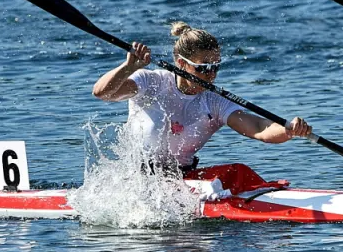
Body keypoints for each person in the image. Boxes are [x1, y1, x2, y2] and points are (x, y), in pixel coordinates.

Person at [92, 21, 312, 173]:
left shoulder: (215, 100)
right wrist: (127, 67)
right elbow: (103, 93)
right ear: (180, 63)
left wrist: (288, 129)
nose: (211, 75)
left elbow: (259, 128)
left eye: (215, 67)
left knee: (239, 172)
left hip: (182, 179)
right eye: (203, 68)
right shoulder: (151, 82)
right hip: (135, 179)